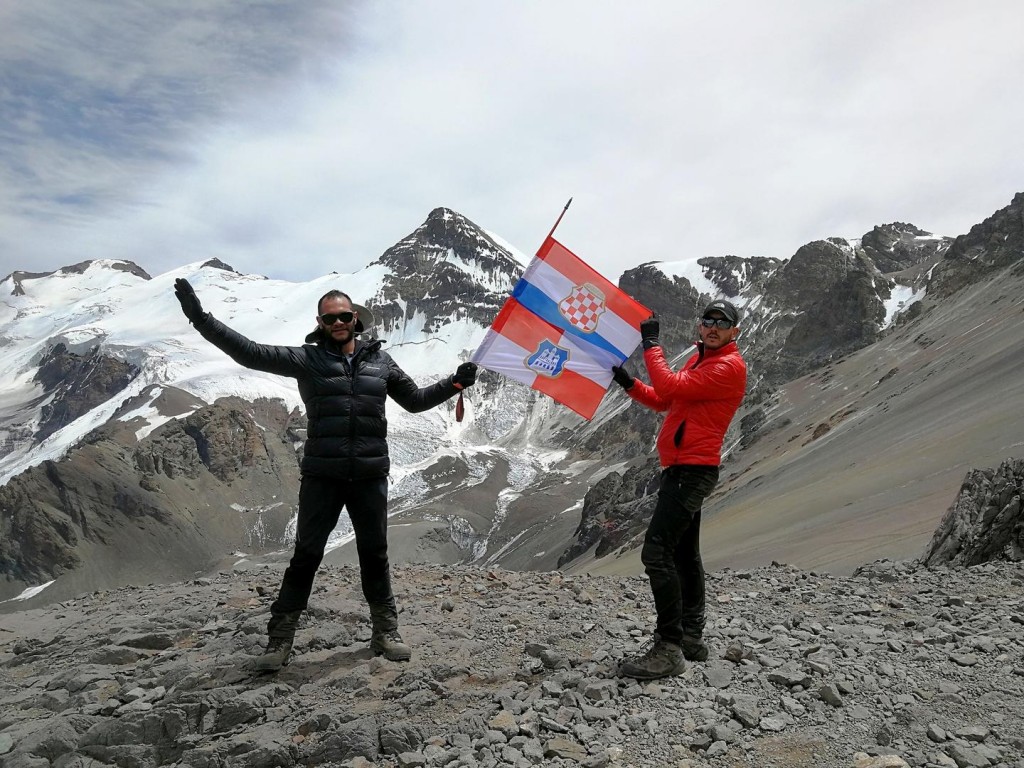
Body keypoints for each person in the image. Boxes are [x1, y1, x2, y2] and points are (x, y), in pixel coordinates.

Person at [173, 278, 477, 671]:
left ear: (356, 319)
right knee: (306, 555)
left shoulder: (381, 363)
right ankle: (280, 640)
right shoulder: (308, 360)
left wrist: (454, 383)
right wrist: (201, 319)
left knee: (374, 554)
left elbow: (415, 401)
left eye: (344, 316)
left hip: (369, 474)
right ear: (320, 323)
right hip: (323, 475)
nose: (338, 323)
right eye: (330, 318)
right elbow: (249, 353)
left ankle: (385, 632)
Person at [610, 299, 747, 680]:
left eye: (722, 323)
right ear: (700, 326)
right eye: (708, 320)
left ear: (734, 331)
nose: (714, 327)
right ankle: (690, 638)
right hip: (683, 469)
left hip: (692, 470)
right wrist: (629, 384)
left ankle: (669, 647)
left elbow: (668, 384)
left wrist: (651, 344)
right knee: (685, 555)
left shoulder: (728, 366)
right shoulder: (701, 361)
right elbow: (665, 400)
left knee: (656, 552)